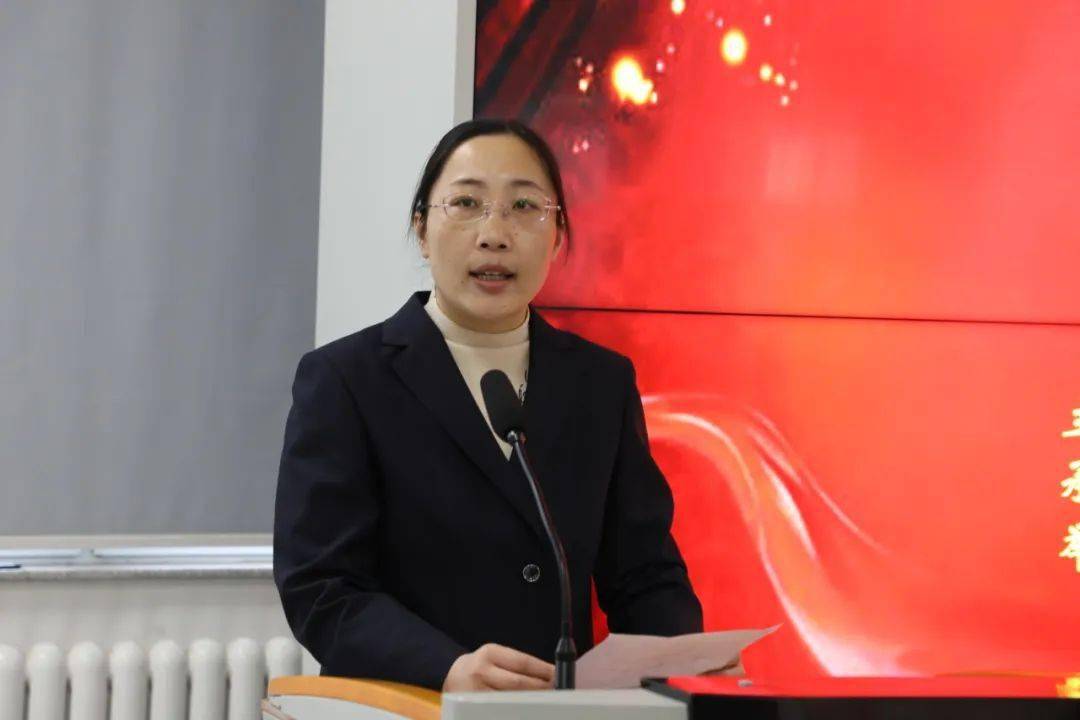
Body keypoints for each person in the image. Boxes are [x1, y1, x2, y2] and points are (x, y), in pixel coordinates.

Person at [273, 118, 702, 693]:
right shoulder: (346, 379)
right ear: (422, 230)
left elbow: (646, 575)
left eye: (525, 207)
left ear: (557, 236)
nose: (495, 234)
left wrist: (681, 664)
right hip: (412, 704)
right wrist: (444, 668)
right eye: (466, 203)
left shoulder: (600, 383)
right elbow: (321, 586)